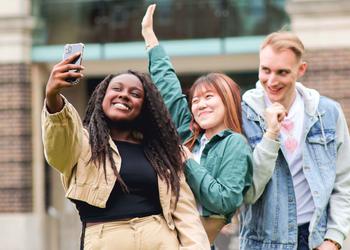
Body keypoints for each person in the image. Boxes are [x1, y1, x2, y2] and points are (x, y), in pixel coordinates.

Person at [41, 53, 211, 250]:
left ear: (144, 108)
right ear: (101, 98)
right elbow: (57, 152)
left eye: (135, 94)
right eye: (117, 89)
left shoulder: (162, 153)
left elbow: (186, 215)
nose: (124, 95)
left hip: (161, 241)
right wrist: (53, 97)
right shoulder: (82, 143)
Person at [141, 4, 252, 248]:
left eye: (209, 97)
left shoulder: (235, 144)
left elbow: (224, 200)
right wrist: (150, 39)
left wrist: (188, 162)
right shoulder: (189, 135)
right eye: (196, 100)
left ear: (228, 100)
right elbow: (168, 89)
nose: (200, 105)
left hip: (200, 240)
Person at [240, 31, 350, 250]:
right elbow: (249, 191)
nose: (271, 81)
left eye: (282, 72)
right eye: (265, 70)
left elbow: (344, 181)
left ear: (301, 70)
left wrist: (334, 239)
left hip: (314, 240)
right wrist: (271, 134)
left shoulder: (328, 113)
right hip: (262, 244)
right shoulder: (242, 115)